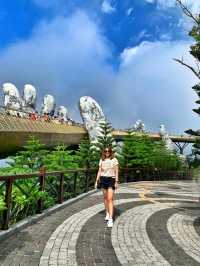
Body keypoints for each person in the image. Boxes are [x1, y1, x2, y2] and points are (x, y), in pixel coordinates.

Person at [95, 147, 119, 228]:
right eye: (105, 151)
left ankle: (111, 219)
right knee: (105, 198)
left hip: (111, 179)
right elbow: (99, 171)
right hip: (103, 179)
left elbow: (116, 171)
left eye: (108, 151)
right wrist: (96, 181)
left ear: (111, 152)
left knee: (110, 198)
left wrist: (116, 181)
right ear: (104, 152)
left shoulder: (114, 159)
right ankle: (107, 213)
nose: (107, 152)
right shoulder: (102, 160)